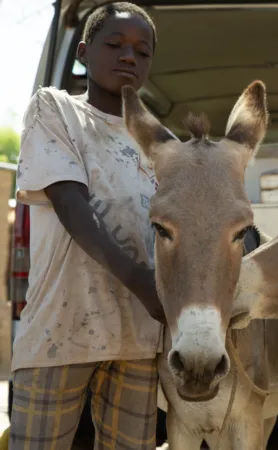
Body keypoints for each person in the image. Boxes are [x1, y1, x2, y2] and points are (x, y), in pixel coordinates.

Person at [9, 3, 167, 449]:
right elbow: (71, 204)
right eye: (115, 44)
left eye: (142, 51)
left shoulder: (157, 141)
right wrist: (142, 281)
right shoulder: (55, 110)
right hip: (60, 331)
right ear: (83, 52)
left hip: (138, 337)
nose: (128, 57)